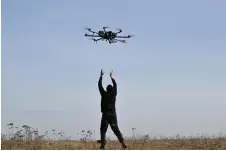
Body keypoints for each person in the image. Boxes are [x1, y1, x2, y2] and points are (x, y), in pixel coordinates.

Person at [98, 69, 127, 150]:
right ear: (112, 90)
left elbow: (99, 86)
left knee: (103, 130)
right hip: (113, 115)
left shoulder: (104, 94)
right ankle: (123, 143)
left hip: (105, 115)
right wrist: (111, 77)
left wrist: (101, 76)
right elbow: (116, 85)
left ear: (106, 89)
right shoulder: (114, 94)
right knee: (116, 129)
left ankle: (102, 146)